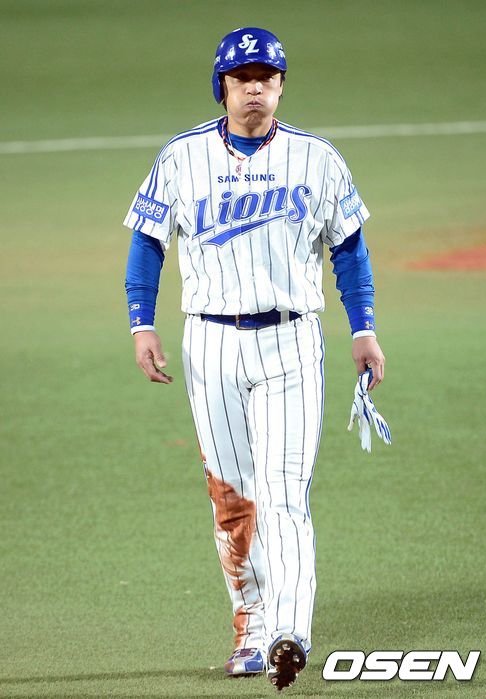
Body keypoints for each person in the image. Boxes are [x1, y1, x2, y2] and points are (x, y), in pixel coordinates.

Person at [123, 27, 385, 691]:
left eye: (267, 78)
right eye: (242, 79)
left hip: (292, 341)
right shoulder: (181, 158)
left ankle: (289, 631)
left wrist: (364, 329)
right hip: (209, 343)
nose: (255, 90)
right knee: (233, 496)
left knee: (284, 490)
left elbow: (349, 249)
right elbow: (148, 243)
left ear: (281, 85)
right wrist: (141, 322)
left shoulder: (317, 159)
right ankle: (251, 622)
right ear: (223, 87)